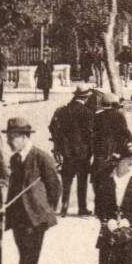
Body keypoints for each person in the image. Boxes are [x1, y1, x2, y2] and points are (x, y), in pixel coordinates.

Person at [0, 118, 62, 264]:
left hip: (36, 220)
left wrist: (45, 209)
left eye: (13, 137)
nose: (9, 142)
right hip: (18, 218)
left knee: (26, 263)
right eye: (8, 137)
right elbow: (13, 188)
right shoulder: (15, 160)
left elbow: (55, 187)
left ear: (25, 137)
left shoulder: (42, 157)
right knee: (28, 260)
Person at [49, 85, 95, 217]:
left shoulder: (62, 110)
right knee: (82, 180)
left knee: (67, 179)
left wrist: (58, 145)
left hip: (67, 151)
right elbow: (90, 132)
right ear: (85, 97)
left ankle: (64, 205)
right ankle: (82, 207)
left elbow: (53, 127)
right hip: (82, 152)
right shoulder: (87, 112)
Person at [90, 92, 132, 219]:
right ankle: (113, 208)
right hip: (115, 153)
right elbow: (125, 134)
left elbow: (92, 136)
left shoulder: (97, 117)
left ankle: (98, 207)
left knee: (98, 181)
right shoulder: (118, 117)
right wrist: (131, 150)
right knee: (115, 181)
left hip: (100, 153)